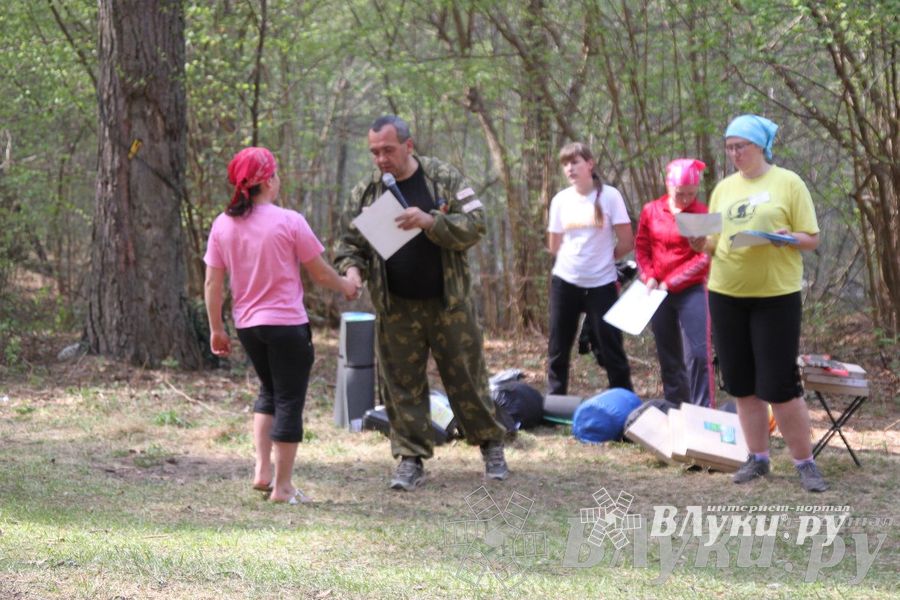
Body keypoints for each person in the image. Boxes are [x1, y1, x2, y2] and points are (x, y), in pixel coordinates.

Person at [334, 115, 508, 491]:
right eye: (375, 152)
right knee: (402, 386)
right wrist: (351, 271)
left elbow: (477, 223)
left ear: (408, 146)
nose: (381, 159)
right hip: (397, 307)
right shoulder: (366, 193)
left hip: (449, 304)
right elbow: (349, 246)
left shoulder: (443, 179)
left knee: (467, 379)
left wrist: (431, 222)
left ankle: (491, 446)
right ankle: (410, 459)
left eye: (388, 150)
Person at [204, 146, 358, 504]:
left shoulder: (222, 224)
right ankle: (283, 487)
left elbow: (213, 284)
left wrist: (216, 328)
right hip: (287, 325)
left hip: (249, 328)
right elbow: (319, 273)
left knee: (269, 393)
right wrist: (347, 286)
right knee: (288, 398)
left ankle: (263, 471)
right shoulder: (289, 221)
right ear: (269, 180)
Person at [690, 114, 827, 492]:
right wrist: (698, 242)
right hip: (727, 294)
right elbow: (715, 243)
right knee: (742, 383)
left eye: (741, 147)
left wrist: (787, 237)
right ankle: (758, 458)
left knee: (779, 384)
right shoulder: (723, 189)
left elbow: (811, 238)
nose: (734, 154)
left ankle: (805, 462)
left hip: (775, 297)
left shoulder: (788, 183)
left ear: (760, 147)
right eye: (730, 147)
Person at [546, 142, 634, 396]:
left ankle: (623, 398)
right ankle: (555, 399)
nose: (570, 168)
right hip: (566, 281)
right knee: (559, 344)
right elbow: (554, 245)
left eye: (575, 162)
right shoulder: (560, 200)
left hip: (602, 283)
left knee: (610, 343)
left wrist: (606, 258)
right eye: (565, 164)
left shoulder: (610, 196)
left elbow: (626, 241)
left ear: (590, 164)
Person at [635, 158, 713, 407]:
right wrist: (648, 276)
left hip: (691, 290)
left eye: (691, 194)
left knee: (699, 355)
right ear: (669, 187)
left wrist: (672, 281)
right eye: (680, 194)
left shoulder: (702, 213)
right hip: (657, 291)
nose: (686, 199)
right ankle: (675, 408)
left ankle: (702, 413)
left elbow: (706, 257)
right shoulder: (651, 210)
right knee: (669, 355)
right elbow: (642, 247)